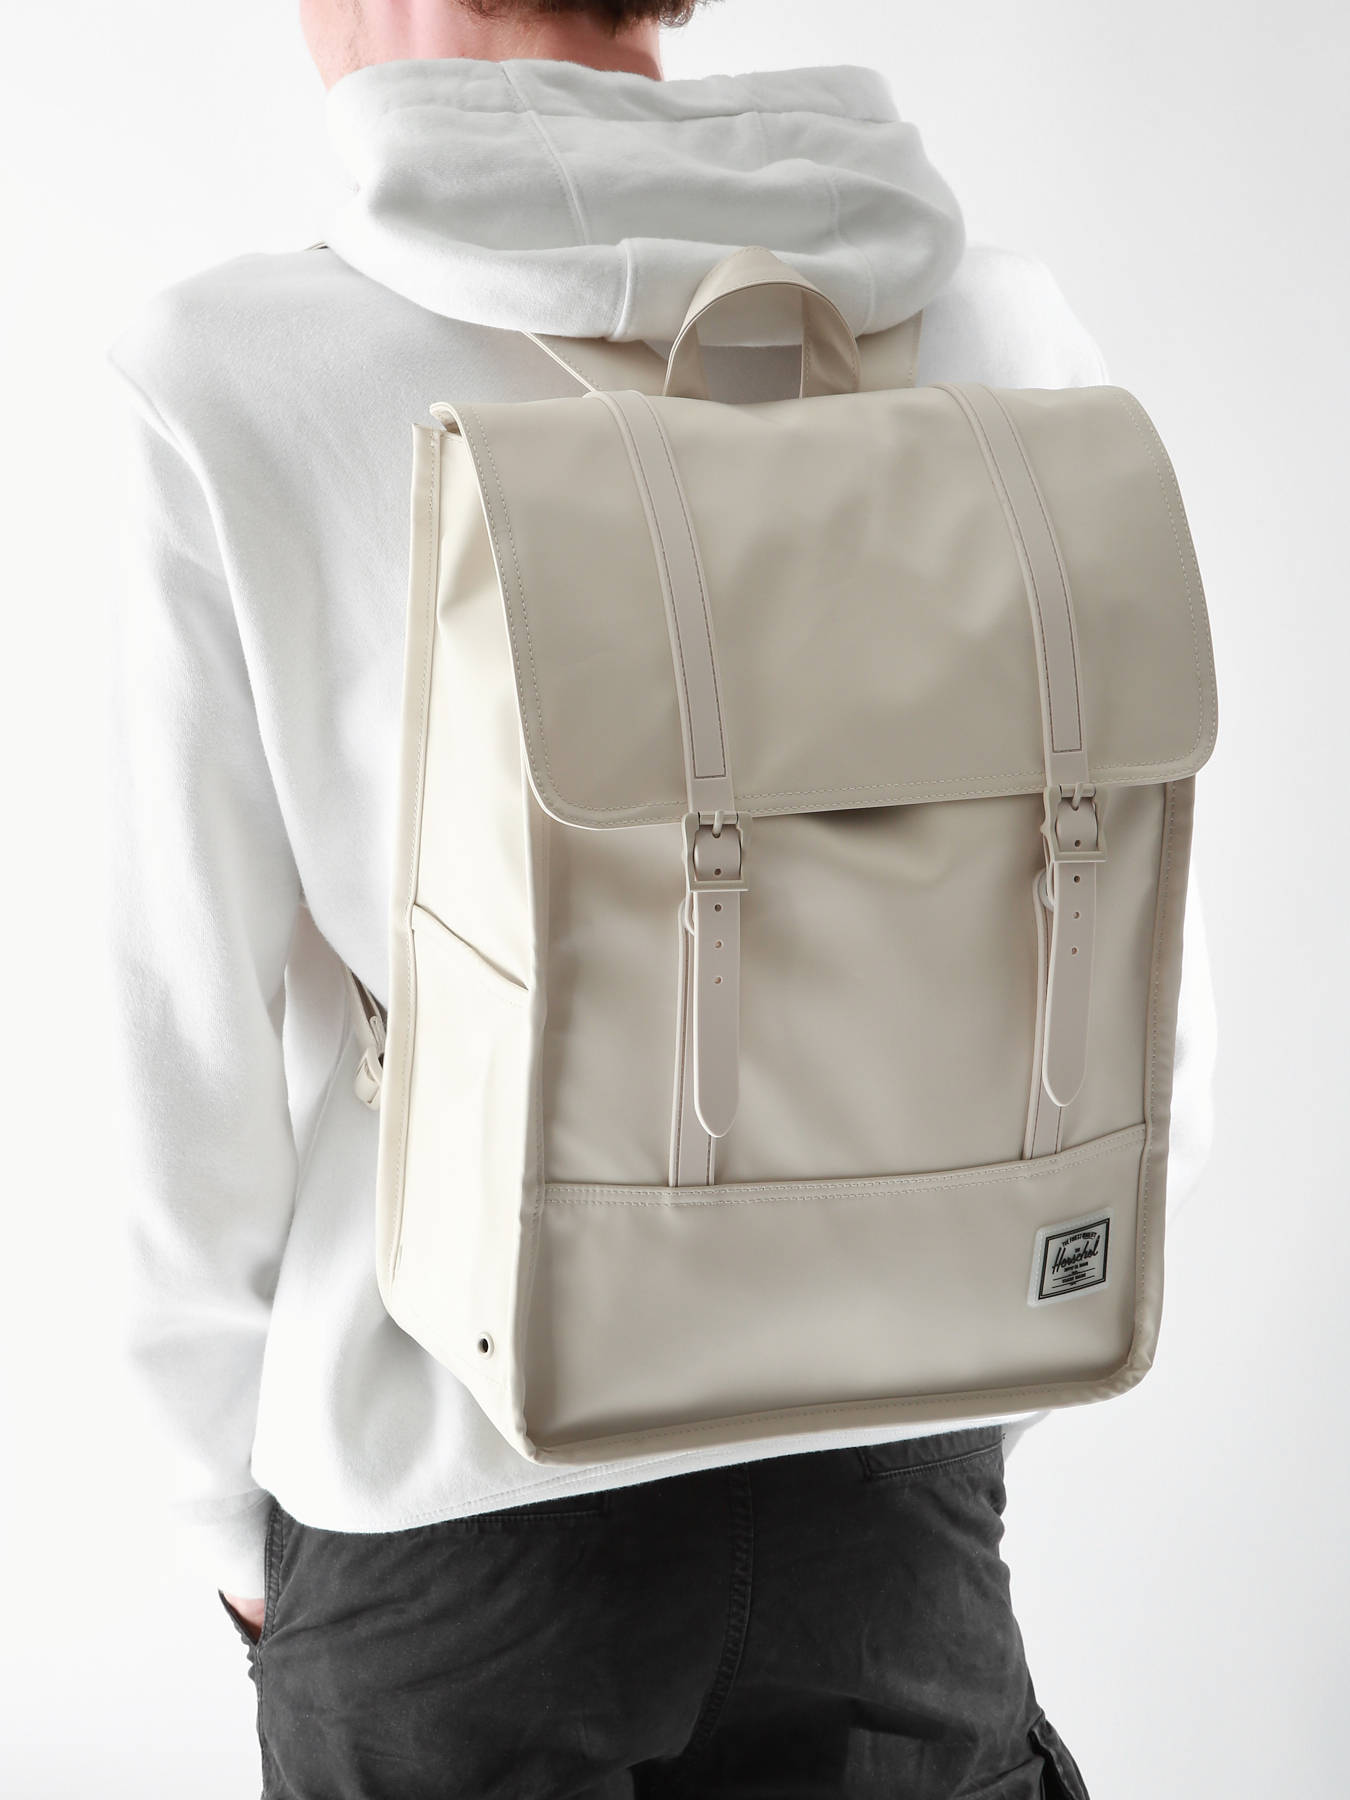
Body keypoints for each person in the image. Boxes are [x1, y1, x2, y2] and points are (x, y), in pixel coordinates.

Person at [104, 1, 1216, 1794]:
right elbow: (1145, 997)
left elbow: (177, 1046)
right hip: (895, 1498)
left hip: (446, 1512)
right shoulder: (997, 320)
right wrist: (946, 1376)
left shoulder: (228, 364)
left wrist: (220, 1523)